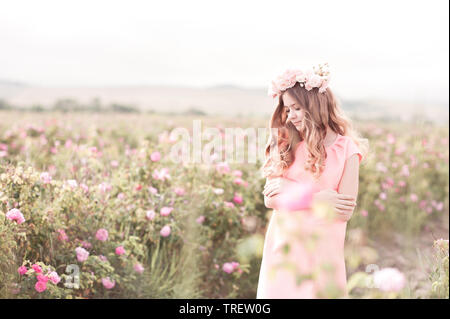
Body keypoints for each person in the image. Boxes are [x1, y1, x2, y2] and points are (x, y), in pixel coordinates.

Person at [256, 63, 368, 299]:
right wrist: (318, 198)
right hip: (284, 246)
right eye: (287, 109)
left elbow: (343, 211)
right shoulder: (284, 140)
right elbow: (271, 198)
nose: (290, 115)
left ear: (315, 106)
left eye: (297, 108)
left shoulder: (347, 149)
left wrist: (291, 191)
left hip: (322, 250)